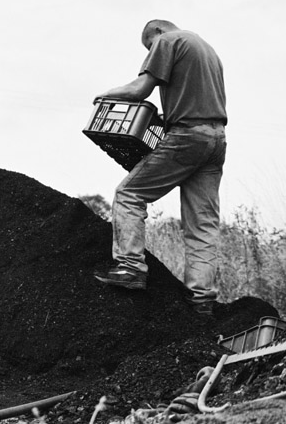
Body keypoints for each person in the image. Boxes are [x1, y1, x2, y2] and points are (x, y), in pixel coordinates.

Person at [93, 20, 227, 315]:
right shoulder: (207, 51)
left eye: (148, 48)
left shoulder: (167, 42)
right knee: (201, 223)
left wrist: (106, 95)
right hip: (216, 140)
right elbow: (193, 99)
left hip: (188, 137)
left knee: (128, 193)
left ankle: (130, 268)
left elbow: (140, 90)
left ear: (155, 34)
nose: (151, 53)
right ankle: (202, 298)